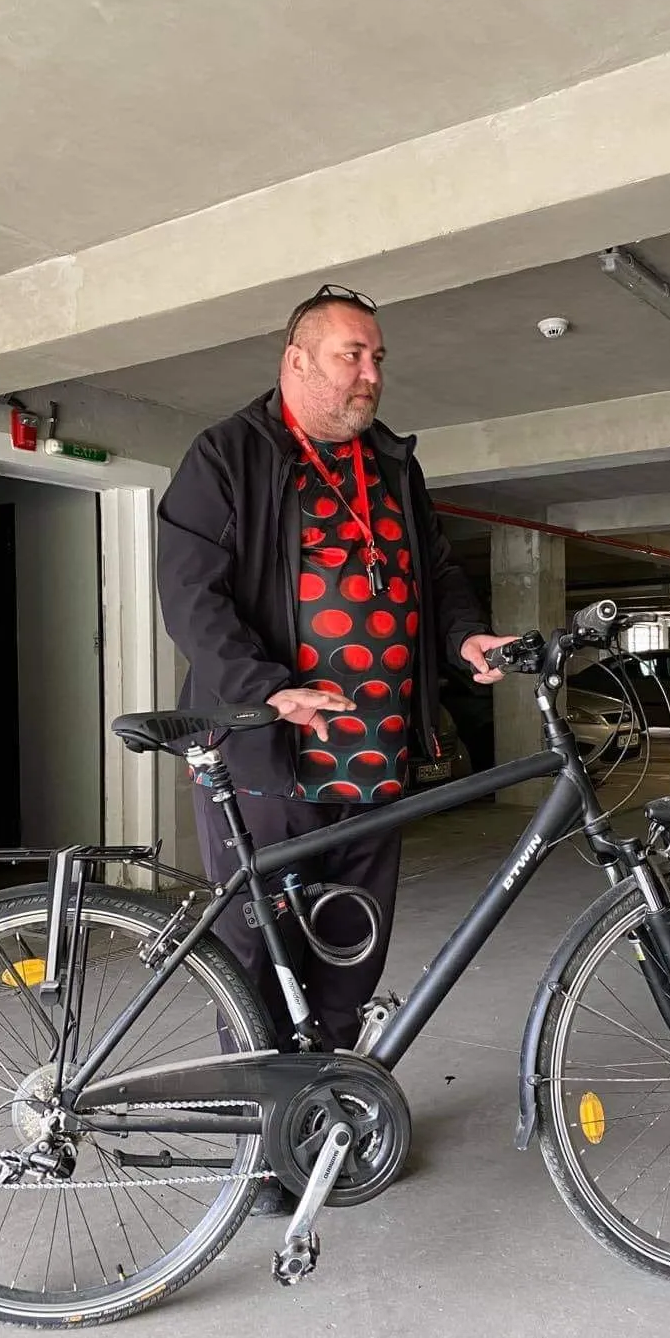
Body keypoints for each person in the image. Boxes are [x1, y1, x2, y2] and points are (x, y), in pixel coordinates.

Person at [157, 283, 513, 1063]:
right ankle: (258, 1120)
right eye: (351, 355)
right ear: (297, 361)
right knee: (259, 955)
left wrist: (465, 636)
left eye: (376, 357)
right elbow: (190, 595)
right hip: (265, 753)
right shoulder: (228, 455)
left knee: (352, 944)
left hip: (374, 755)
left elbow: (435, 572)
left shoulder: (389, 463)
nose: (370, 374)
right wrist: (262, 689)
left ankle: (327, 1102)